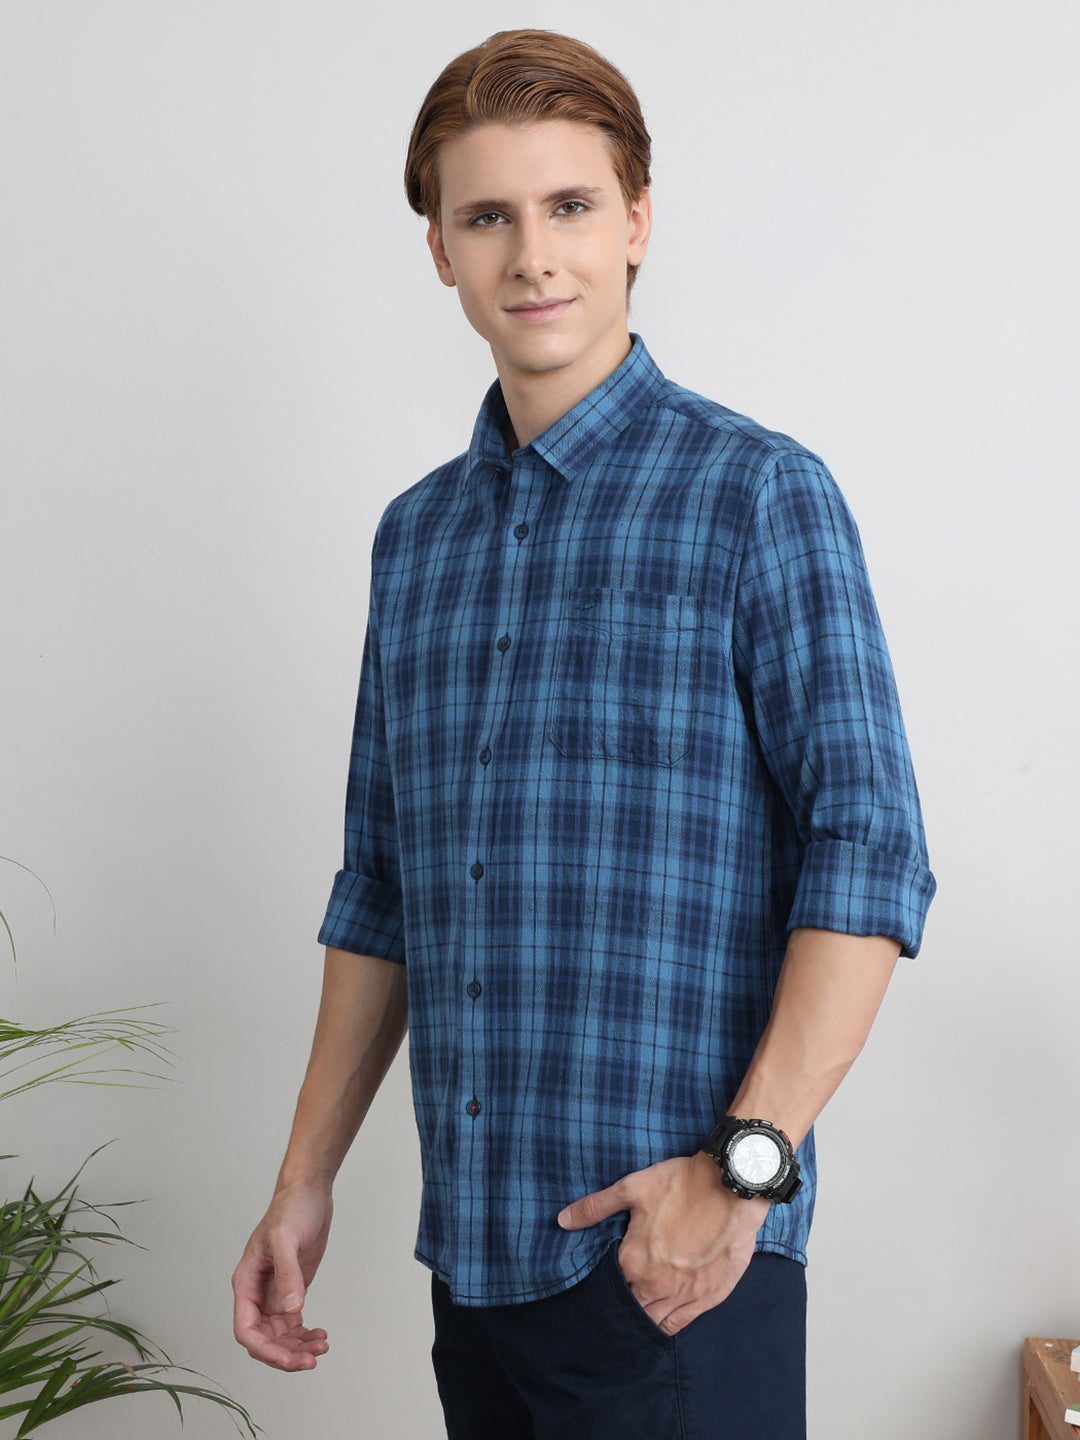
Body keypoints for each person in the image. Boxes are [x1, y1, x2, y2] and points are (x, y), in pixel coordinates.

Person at [232, 29, 936, 1439]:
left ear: (637, 223)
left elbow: (869, 855)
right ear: (440, 249)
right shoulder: (416, 541)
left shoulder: (757, 495)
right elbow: (382, 889)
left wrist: (741, 1172)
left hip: (674, 1267)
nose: (533, 256)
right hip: (475, 1267)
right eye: (488, 216)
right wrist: (303, 1180)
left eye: (570, 206)